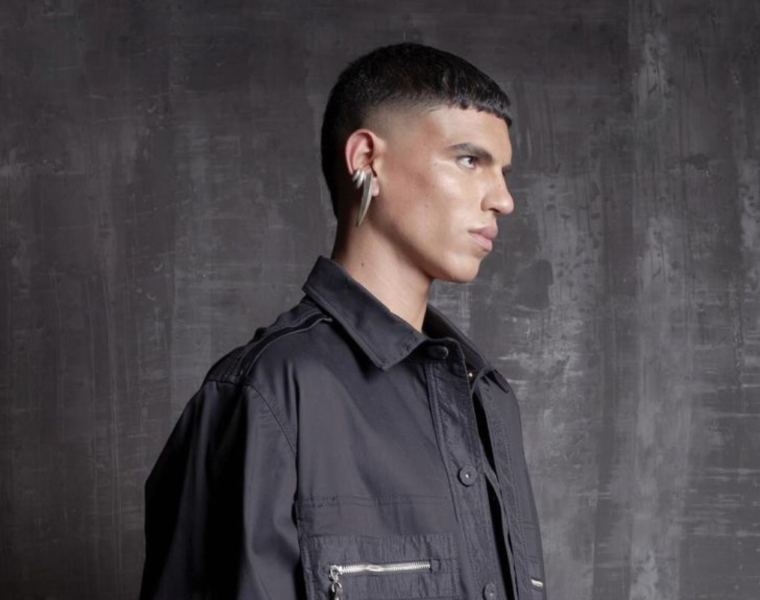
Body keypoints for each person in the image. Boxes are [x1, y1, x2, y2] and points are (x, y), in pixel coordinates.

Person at [140, 42, 547, 600]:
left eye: (503, 171)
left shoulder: (489, 399)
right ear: (366, 159)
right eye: (470, 160)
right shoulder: (268, 394)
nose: (503, 200)